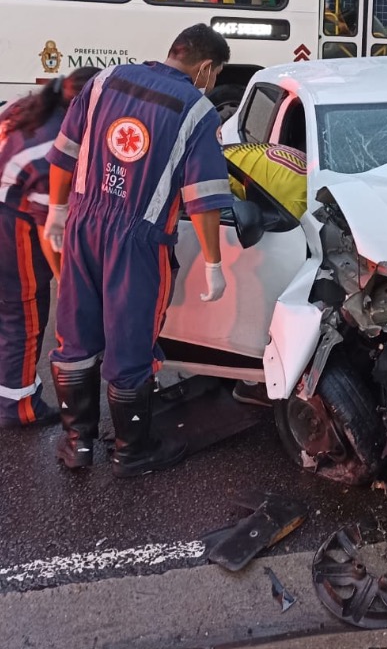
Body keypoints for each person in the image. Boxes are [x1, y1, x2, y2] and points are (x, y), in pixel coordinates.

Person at [45, 24, 234, 477]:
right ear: (206, 68)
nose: (211, 83)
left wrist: (56, 211)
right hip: (137, 241)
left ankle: (77, 445)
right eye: (215, 75)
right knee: (131, 344)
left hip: (82, 226)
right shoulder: (197, 111)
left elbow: (64, 153)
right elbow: (203, 197)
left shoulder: (104, 81)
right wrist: (213, 263)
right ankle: (132, 452)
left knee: (75, 335)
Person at [0, 69, 98, 428]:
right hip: (11, 227)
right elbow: (49, 232)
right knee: (23, 313)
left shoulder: (25, 107)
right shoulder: (52, 151)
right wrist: (65, 282)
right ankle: (18, 406)